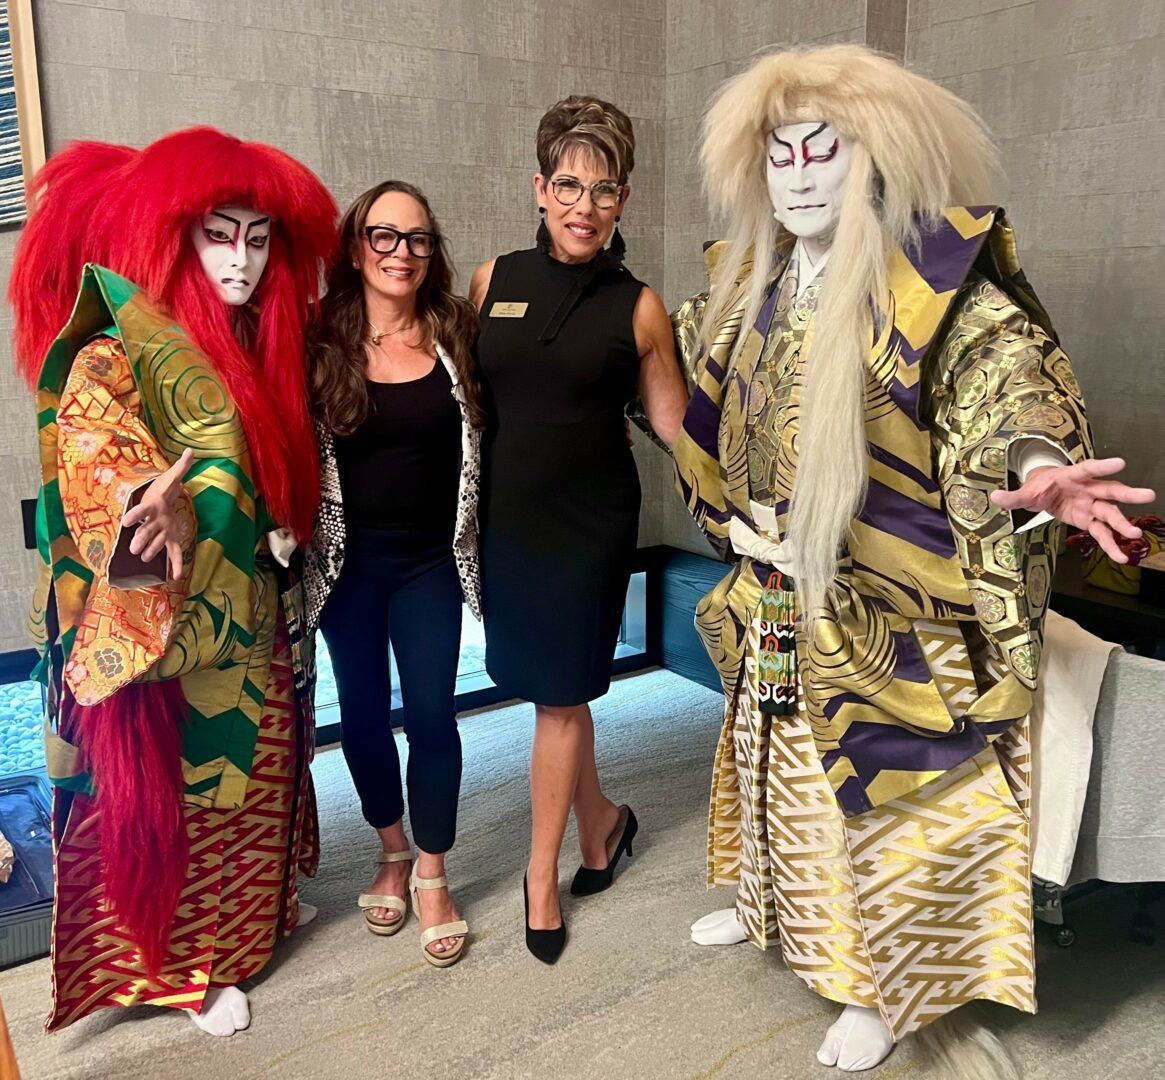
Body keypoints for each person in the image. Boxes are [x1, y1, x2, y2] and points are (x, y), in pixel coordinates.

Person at [672, 45, 1154, 1072]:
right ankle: (767, 915)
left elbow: (1003, 380)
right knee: (773, 780)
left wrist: (1041, 463)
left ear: (877, 161)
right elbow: (707, 394)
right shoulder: (745, 283)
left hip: (883, 608)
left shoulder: (935, 289)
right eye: (780, 155)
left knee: (889, 813)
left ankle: (883, 986)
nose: (798, 175)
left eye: (824, 151)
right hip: (770, 593)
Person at [9, 128, 337, 1036]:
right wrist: (152, 513)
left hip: (255, 613)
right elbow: (91, 450)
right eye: (219, 235)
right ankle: (177, 967)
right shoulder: (121, 350)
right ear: (177, 239)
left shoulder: (259, 341)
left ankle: (255, 926)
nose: (242, 258)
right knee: (174, 801)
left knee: (260, 776)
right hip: (165, 627)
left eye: (260, 237)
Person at [469, 96, 688, 963]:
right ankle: (602, 826)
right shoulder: (491, 281)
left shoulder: (639, 306)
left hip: (589, 524)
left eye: (603, 191)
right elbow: (451, 389)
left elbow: (675, 429)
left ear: (623, 201)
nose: (582, 206)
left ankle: (540, 874)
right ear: (539, 188)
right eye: (567, 185)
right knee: (550, 688)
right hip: (508, 521)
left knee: (560, 698)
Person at [304, 181, 483, 966]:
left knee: (435, 716)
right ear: (355, 248)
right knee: (365, 718)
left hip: (429, 564)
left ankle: (435, 873)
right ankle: (391, 850)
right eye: (384, 237)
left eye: (416, 238)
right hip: (347, 567)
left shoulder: (455, 332)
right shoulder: (321, 342)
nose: (401, 253)